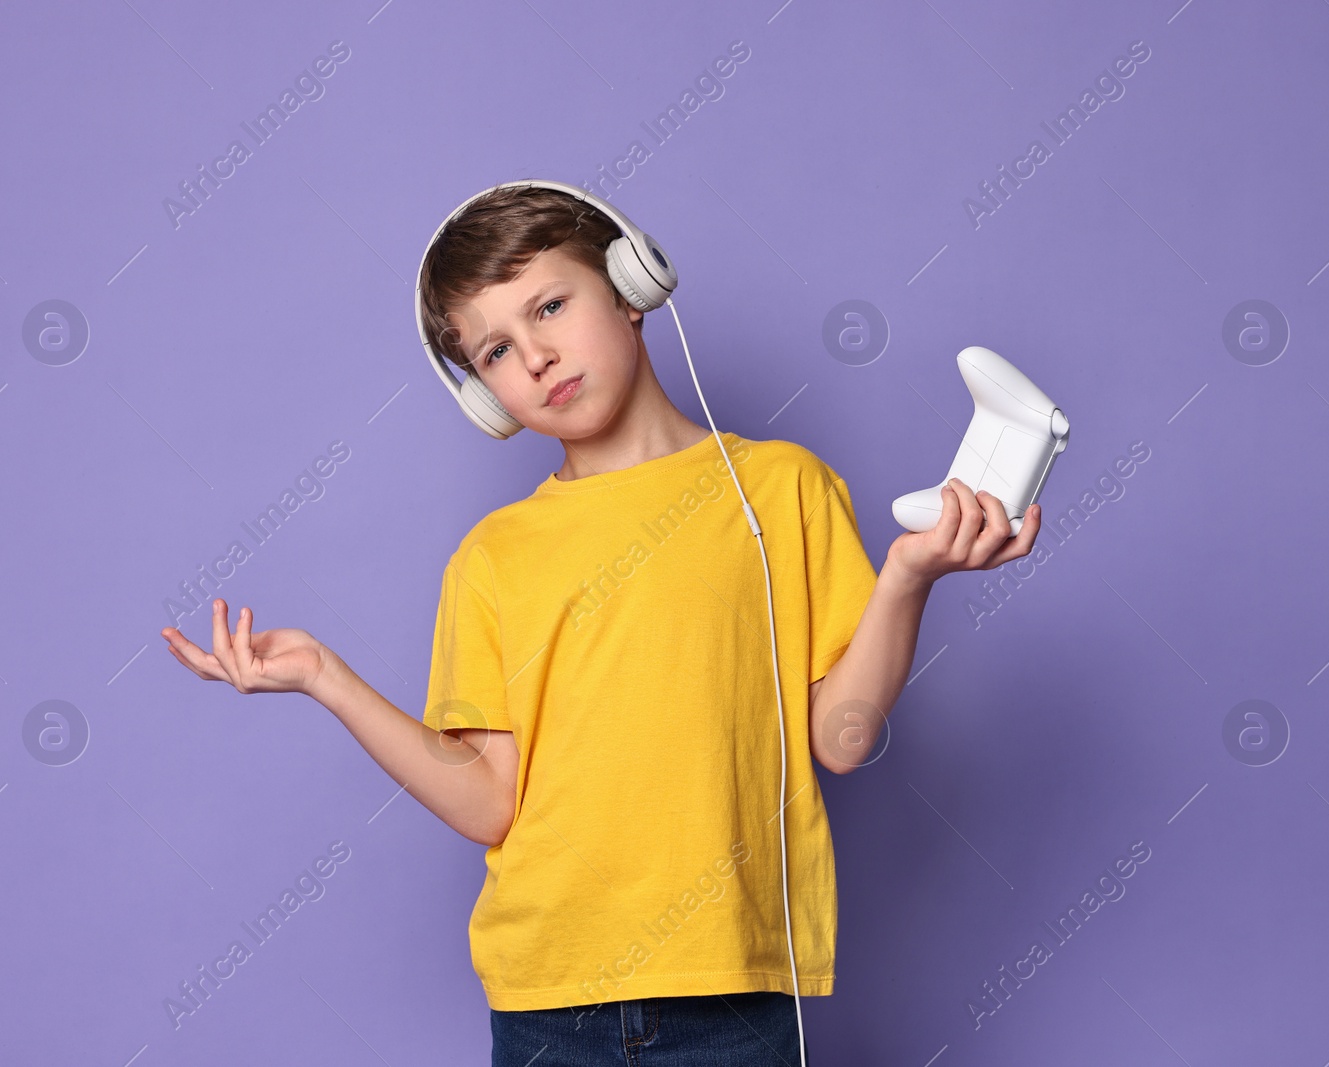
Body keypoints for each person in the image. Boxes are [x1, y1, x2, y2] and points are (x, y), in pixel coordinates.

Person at [161, 184, 1042, 1066]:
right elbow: (488, 799)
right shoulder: (493, 557)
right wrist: (324, 674)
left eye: (550, 305)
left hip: (732, 993)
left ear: (631, 286)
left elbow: (842, 741)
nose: (537, 356)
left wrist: (906, 581)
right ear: (487, 394)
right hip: (550, 1003)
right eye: (499, 348)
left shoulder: (781, 488)